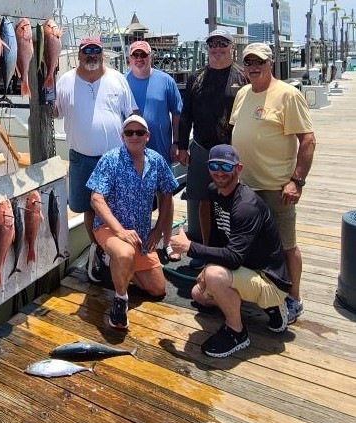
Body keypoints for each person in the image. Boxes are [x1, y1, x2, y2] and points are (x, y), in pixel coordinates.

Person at [170, 144, 292, 358]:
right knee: (199, 295)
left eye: (226, 167)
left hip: (269, 278)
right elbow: (218, 237)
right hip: (246, 267)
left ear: (238, 168)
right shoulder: (214, 192)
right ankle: (263, 305)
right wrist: (207, 263)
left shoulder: (246, 205)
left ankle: (238, 331)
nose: (219, 172)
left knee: (215, 276)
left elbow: (234, 259)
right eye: (214, 165)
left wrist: (191, 248)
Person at [229, 42, 316, 324]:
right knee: (252, 244)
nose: (254, 67)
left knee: (286, 244)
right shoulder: (242, 93)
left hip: (277, 188)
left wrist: (297, 181)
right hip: (245, 187)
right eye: (249, 62)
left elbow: (308, 139)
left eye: (260, 62)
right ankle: (264, 292)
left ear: (271, 63)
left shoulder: (288, 94)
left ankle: (294, 297)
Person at [54, 36, 137, 283]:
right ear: (79, 54)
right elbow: (53, 110)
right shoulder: (65, 80)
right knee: (87, 208)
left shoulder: (118, 79)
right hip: (81, 158)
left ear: (102, 53)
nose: (91, 55)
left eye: (96, 50)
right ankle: (98, 250)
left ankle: (118, 251)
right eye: (86, 50)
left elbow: (131, 113)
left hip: (114, 158)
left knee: (117, 206)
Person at [87, 115, 179, 329]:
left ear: (148, 136)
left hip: (140, 234)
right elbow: (96, 199)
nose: (134, 136)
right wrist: (119, 231)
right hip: (109, 228)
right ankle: (120, 301)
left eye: (139, 132)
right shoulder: (110, 159)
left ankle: (112, 263)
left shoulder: (156, 160)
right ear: (122, 136)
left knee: (157, 289)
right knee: (125, 253)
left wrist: (158, 231)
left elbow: (167, 193)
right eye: (129, 132)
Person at [178, 29, 247, 269]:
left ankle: (235, 248)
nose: (217, 49)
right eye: (212, 45)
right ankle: (205, 248)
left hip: (231, 150)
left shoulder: (243, 76)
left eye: (222, 44)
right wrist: (181, 146)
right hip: (201, 147)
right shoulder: (196, 77)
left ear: (232, 48)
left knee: (234, 200)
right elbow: (186, 116)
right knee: (202, 199)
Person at [125, 40, 183, 262]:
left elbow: (176, 112)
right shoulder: (122, 81)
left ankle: (167, 242)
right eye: (135, 55)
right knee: (135, 199)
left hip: (160, 150)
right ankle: (140, 240)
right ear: (130, 58)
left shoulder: (166, 81)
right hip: (131, 151)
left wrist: (176, 141)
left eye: (144, 54)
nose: (139, 59)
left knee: (165, 197)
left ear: (151, 57)